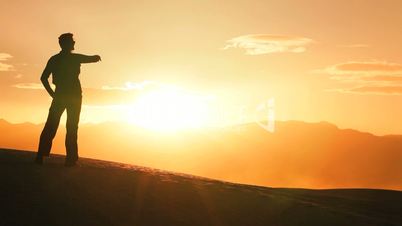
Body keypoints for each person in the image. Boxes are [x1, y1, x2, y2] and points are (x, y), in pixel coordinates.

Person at [35, 33, 101, 166]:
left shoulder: (56, 59)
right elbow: (89, 58)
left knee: (53, 125)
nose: (74, 43)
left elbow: (43, 78)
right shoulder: (69, 58)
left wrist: (52, 94)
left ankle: (43, 155)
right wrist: (52, 94)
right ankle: (70, 159)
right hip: (72, 97)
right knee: (69, 127)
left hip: (63, 96)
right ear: (66, 44)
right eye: (72, 41)